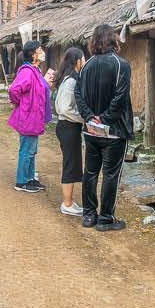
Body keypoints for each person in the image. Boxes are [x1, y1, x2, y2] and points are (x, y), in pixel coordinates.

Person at [74, 23, 133, 230]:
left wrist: (90, 117)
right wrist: (105, 118)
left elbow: (78, 94)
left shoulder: (86, 66)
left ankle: (89, 215)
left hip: (91, 130)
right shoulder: (121, 65)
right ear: (112, 39)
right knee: (110, 174)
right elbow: (120, 96)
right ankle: (106, 218)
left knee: (90, 172)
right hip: (114, 131)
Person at [7, 40, 52, 192]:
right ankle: (21, 181)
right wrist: (21, 104)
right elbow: (14, 90)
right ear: (33, 55)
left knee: (32, 150)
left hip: (34, 116)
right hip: (28, 116)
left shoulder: (35, 70)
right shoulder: (27, 71)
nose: (42, 52)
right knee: (27, 149)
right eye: (40, 50)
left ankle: (30, 178)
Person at [52, 46, 85, 215]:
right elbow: (65, 109)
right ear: (77, 61)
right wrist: (83, 118)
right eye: (83, 59)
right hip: (68, 126)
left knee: (71, 163)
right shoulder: (71, 81)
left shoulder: (67, 79)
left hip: (67, 126)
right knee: (70, 165)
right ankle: (67, 203)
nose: (84, 62)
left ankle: (70, 201)